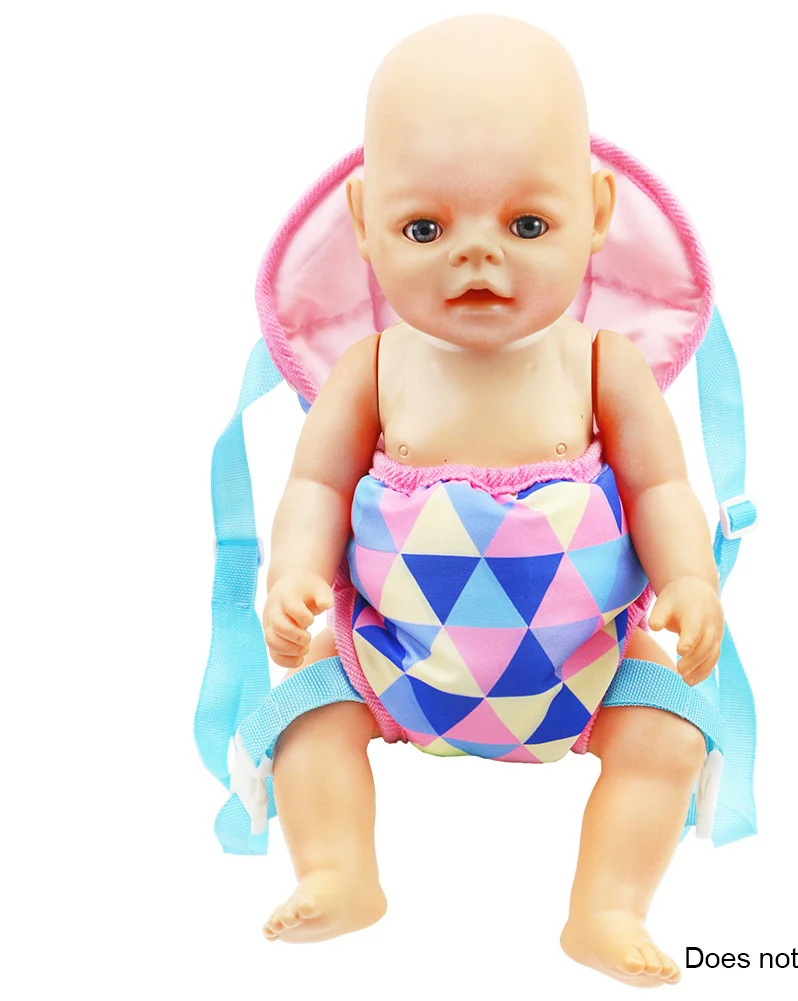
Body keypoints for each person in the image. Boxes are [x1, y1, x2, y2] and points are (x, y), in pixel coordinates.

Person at [259, 15, 723, 988]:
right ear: (364, 221)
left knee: (670, 733)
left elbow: (659, 485)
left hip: (587, 665)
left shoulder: (600, 363)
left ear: (595, 212)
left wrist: (688, 579)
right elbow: (315, 482)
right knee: (304, 715)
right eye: (425, 229)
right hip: (389, 662)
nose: (476, 257)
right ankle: (337, 869)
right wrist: (293, 570)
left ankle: (605, 905)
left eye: (526, 225)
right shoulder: (372, 368)